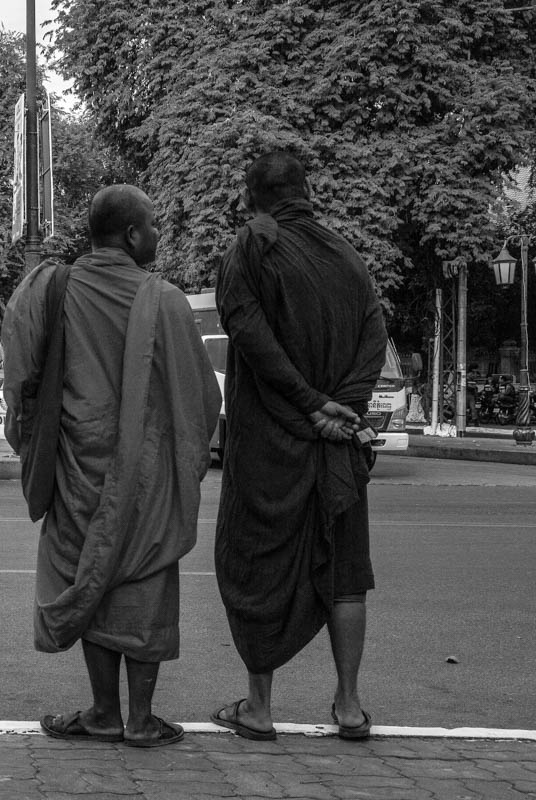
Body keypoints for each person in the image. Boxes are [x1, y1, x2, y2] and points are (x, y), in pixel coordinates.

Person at [2, 185, 221, 748]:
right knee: (143, 579)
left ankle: (103, 711)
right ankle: (140, 719)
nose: (157, 234)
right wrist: (181, 452)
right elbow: (200, 397)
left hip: (77, 463)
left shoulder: (54, 289)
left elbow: (21, 372)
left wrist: (28, 437)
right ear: (130, 235)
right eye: (151, 225)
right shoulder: (165, 300)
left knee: (87, 577)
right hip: (145, 469)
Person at [211, 152, 387, 742]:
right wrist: (344, 408)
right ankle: (349, 705)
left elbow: (250, 336)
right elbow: (374, 335)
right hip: (337, 442)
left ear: (251, 197)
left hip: (270, 443)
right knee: (344, 572)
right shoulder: (348, 258)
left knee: (256, 563)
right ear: (306, 194)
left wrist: (312, 405)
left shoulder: (249, 250)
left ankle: (258, 707)